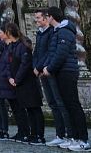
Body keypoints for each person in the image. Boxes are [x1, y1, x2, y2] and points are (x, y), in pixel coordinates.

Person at [43, 6, 91, 152]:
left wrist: (49, 68)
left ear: (51, 17)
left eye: (47, 16)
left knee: (73, 105)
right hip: (61, 72)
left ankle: (83, 140)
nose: (46, 19)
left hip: (67, 72)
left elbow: (61, 54)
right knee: (67, 105)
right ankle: (74, 138)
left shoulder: (64, 31)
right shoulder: (58, 31)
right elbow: (53, 53)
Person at [3, 22, 45, 145]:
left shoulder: (23, 45)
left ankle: (39, 135)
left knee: (34, 108)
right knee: (28, 109)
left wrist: (16, 79)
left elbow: (25, 64)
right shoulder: (12, 46)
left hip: (28, 81)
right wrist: (10, 77)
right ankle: (32, 133)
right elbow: (8, 64)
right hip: (18, 82)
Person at [34, 10, 71, 147]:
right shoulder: (39, 33)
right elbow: (36, 52)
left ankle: (68, 134)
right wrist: (35, 67)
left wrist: (41, 67)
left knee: (60, 103)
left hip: (50, 70)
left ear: (46, 18)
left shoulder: (52, 32)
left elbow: (50, 52)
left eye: (38, 17)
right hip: (42, 71)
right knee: (52, 103)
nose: (36, 20)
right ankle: (59, 134)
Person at [0, 26, 16, 141]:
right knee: (0, 104)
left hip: (8, 79)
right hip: (1, 79)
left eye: (0, 32)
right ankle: (2, 130)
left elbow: (9, 64)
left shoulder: (11, 47)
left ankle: (21, 131)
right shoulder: (3, 46)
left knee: (15, 106)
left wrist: (6, 75)